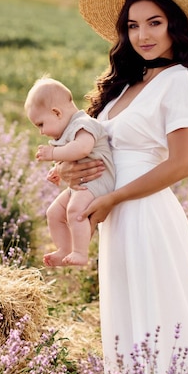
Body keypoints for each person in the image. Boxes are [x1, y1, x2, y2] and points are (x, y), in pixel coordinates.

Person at [57, 0, 188, 374]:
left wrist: (113, 197)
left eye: (155, 23)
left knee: (162, 311)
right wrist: (75, 174)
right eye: (133, 25)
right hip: (116, 214)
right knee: (128, 312)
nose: (143, 34)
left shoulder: (179, 82)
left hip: (146, 211)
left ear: (176, 27)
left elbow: (181, 164)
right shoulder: (127, 85)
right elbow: (105, 147)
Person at [24, 77, 115, 266]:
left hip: (99, 179)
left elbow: (82, 149)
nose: (41, 132)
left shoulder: (85, 124)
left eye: (40, 124)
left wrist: (53, 153)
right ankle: (64, 249)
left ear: (56, 112)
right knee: (54, 212)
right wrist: (57, 169)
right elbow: (72, 157)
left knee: (75, 210)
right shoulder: (67, 129)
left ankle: (80, 253)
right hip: (84, 183)